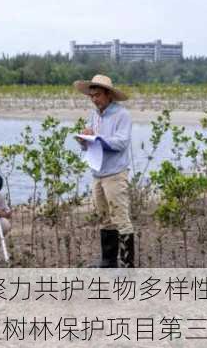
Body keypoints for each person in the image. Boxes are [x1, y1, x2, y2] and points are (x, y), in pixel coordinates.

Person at [73, 74, 135, 268]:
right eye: (91, 96)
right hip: (98, 173)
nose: (94, 99)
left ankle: (127, 265)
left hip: (115, 174)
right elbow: (91, 145)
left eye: (97, 95)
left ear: (108, 95)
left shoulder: (122, 115)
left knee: (121, 219)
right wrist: (84, 140)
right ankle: (108, 261)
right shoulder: (94, 115)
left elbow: (122, 142)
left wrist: (98, 139)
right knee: (104, 218)